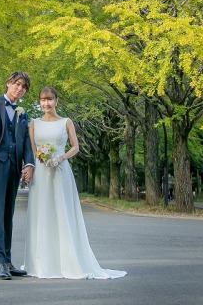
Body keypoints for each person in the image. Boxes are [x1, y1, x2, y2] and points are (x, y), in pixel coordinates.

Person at [22, 87, 126, 279]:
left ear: (56, 101)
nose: (46, 104)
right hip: (41, 172)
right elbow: (31, 148)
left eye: (50, 99)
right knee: (41, 213)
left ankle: (67, 260)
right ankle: (41, 262)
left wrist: (59, 158)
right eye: (43, 100)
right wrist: (36, 162)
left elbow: (76, 147)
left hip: (60, 171)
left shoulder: (66, 122)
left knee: (62, 212)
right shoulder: (33, 124)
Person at [0, 71, 35, 279]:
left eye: (23, 87)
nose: (19, 89)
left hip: (14, 166)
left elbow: (26, 141)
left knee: (8, 215)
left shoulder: (23, 113)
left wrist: (29, 163)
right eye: (16, 84)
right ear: (8, 83)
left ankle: (8, 261)